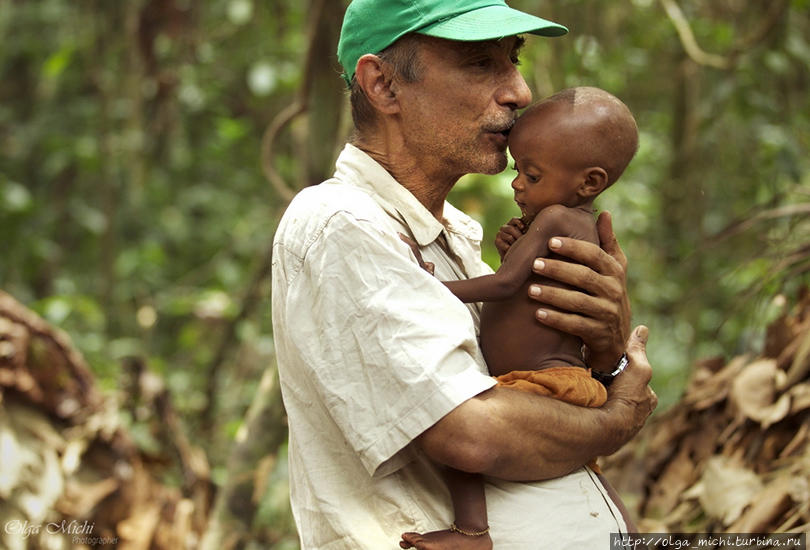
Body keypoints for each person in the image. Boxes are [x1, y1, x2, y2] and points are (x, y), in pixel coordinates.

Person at [270, 1, 657, 548]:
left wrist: (610, 350)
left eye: (513, 59)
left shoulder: (456, 237)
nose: (519, 92)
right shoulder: (342, 226)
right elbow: (471, 434)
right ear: (382, 86)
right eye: (480, 65)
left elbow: (538, 402)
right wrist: (618, 418)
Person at [398, 86, 640, 550]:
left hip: (544, 378)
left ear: (589, 183)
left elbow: (507, 286)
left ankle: (472, 532)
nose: (516, 185)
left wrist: (425, 285)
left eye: (530, 174)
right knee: (572, 470)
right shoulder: (569, 226)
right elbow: (531, 289)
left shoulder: (555, 220)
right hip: (559, 379)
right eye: (516, 171)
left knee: (460, 441)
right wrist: (517, 249)